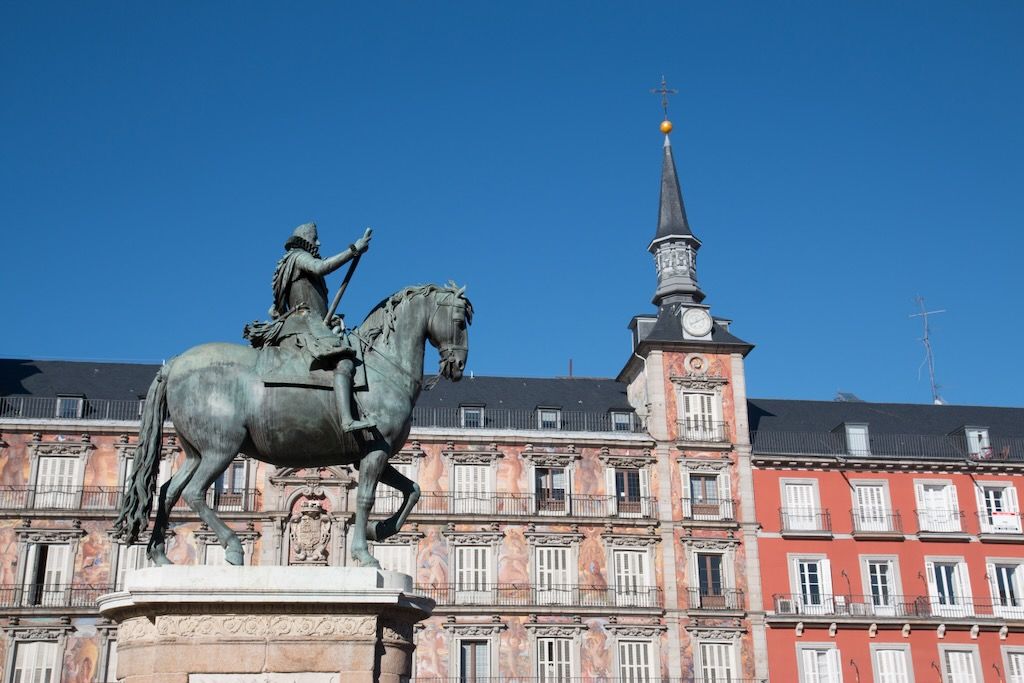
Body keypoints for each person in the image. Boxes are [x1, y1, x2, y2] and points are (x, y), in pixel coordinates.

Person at [267, 221, 374, 432]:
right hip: (305, 323)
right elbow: (321, 267)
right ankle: (347, 420)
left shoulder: (292, 263)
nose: (319, 242)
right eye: (315, 239)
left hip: (309, 321)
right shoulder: (298, 257)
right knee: (343, 362)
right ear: (306, 240)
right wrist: (354, 250)